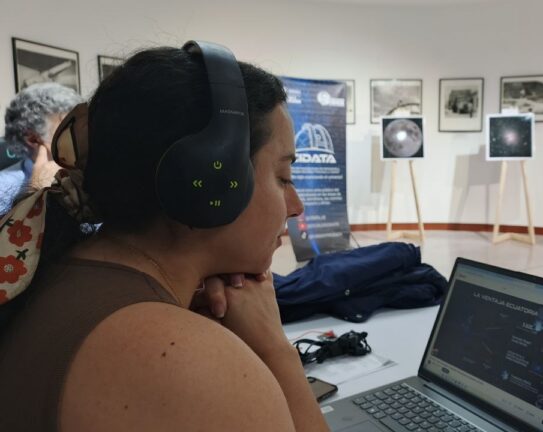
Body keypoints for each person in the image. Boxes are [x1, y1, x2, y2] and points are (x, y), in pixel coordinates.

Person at [0, 44, 329, 431]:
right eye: (284, 177)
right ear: (211, 179)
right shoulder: (187, 361)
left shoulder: (59, 271)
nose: (296, 206)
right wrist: (274, 349)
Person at [0, 83, 83, 214]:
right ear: (33, 139)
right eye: (68, 129)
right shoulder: (3, 188)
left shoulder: (88, 169)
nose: (82, 136)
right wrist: (37, 192)